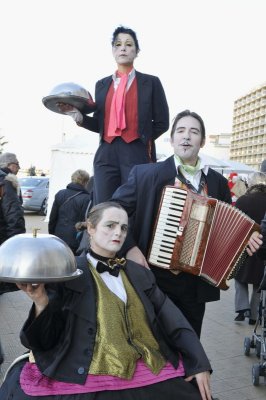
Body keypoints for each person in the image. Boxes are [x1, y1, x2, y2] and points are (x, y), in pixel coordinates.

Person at [0, 202, 213, 400]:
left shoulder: (140, 274)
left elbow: (174, 321)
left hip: (147, 365)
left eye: (123, 228)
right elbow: (42, 340)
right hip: (86, 369)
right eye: (110, 225)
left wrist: (199, 363)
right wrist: (40, 302)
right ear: (90, 228)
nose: (118, 233)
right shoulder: (68, 271)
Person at [112, 109, 263, 337]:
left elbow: (226, 230)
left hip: (195, 285)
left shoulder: (217, 182)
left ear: (202, 141)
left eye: (194, 132)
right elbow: (113, 212)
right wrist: (130, 248)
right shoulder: (145, 174)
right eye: (180, 131)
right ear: (172, 139)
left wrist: (246, 236)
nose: (186, 136)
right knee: (154, 349)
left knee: (190, 350)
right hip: (154, 279)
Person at [58, 26, 169, 204]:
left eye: (128, 44)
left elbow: (162, 122)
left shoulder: (151, 82)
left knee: (134, 204)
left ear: (137, 51)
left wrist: (141, 139)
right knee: (103, 204)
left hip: (136, 150)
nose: (123, 48)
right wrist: (79, 117)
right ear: (112, 50)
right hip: (106, 152)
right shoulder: (101, 84)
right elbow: (101, 124)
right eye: (118, 44)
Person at [0, 152, 26, 367]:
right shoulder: (6, 183)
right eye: (17, 164)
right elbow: (14, 217)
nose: (19, 167)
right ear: (10, 165)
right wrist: (16, 249)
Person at [234, 172, 266, 324]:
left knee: (240, 278)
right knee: (259, 283)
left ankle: (242, 309)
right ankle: (254, 316)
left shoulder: (243, 200)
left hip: (244, 245)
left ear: (251, 184)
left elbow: (235, 223)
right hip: (263, 247)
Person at [48, 169, 92, 254]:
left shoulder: (60, 193)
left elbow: (52, 218)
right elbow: (84, 222)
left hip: (58, 236)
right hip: (75, 240)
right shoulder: (87, 198)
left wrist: (52, 234)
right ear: (85, 182)